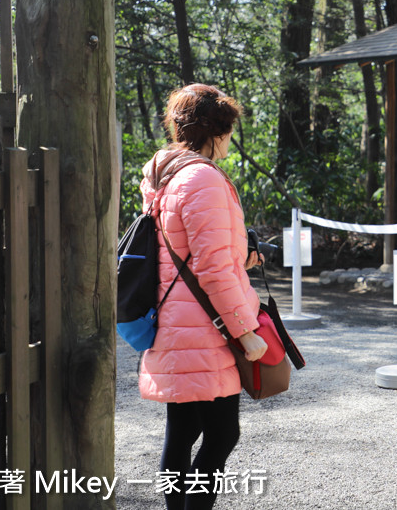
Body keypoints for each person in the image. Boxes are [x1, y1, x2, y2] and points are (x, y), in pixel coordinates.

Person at [138, 83, 268, 509]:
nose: (231, 139)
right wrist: (246, 331)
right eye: (229, 130)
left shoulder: (166, 175)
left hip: (179, 324)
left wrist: (241, 258)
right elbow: (210, 270)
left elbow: (192, 256)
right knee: (222, 434)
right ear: (216, 132)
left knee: (183, 435)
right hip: (204, 329)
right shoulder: (202, 178)